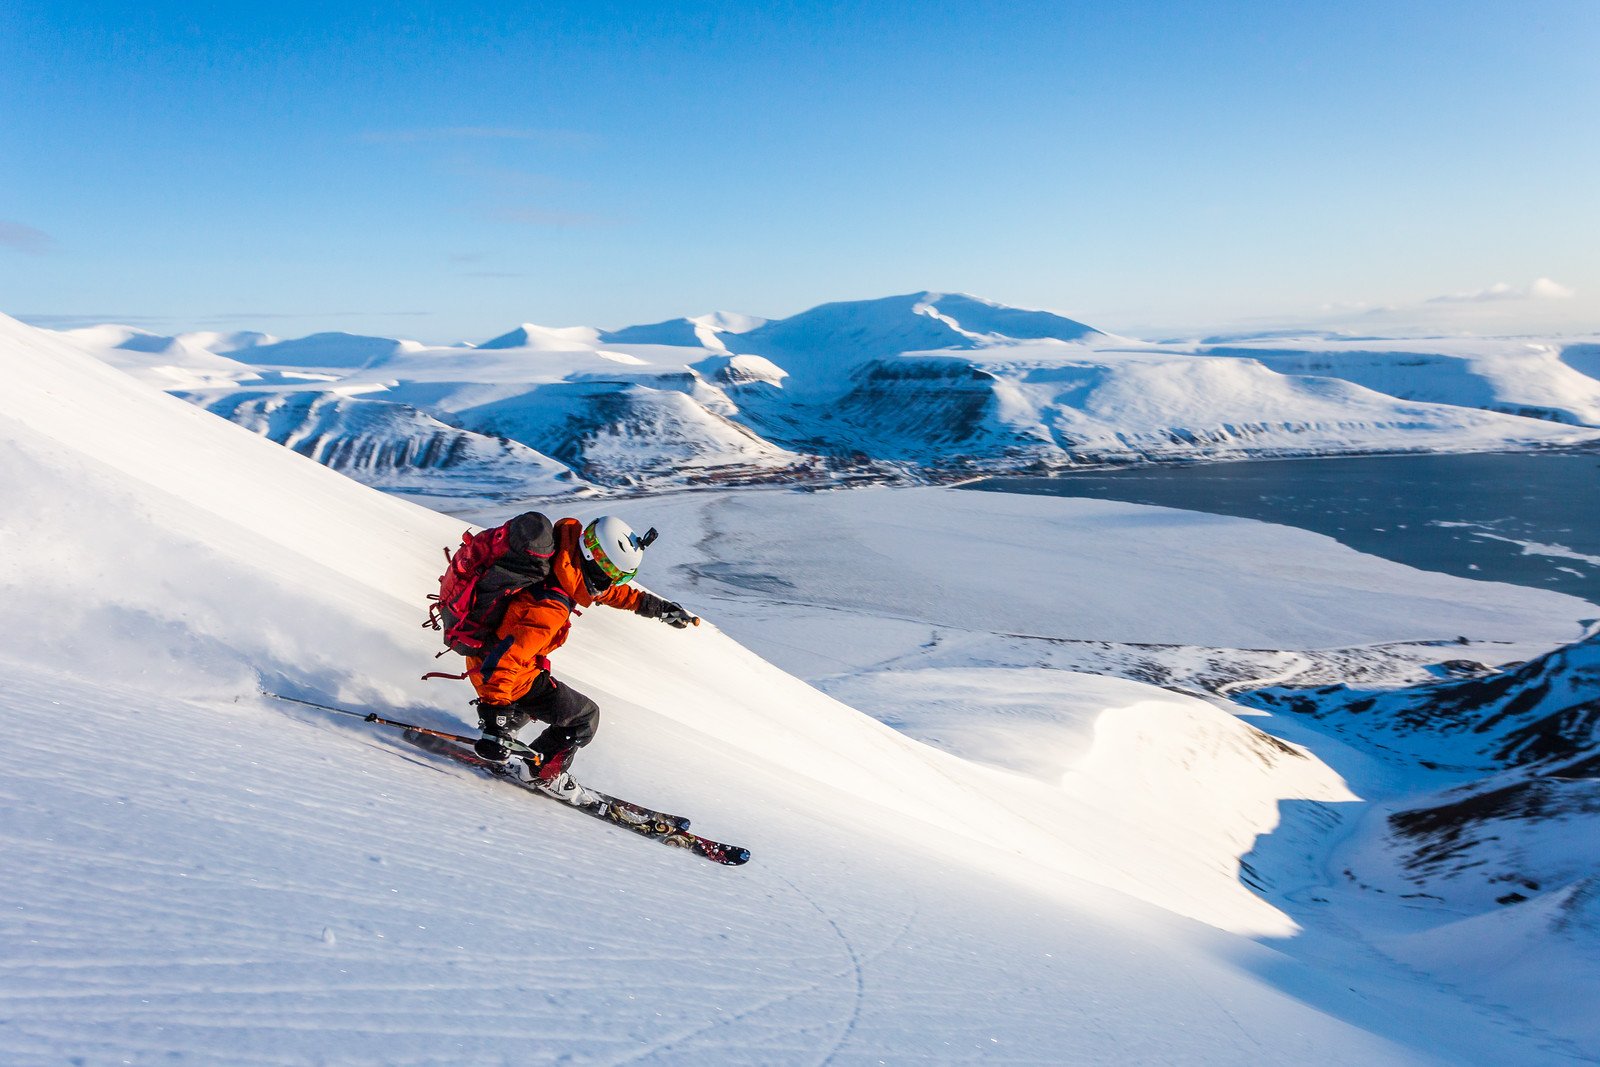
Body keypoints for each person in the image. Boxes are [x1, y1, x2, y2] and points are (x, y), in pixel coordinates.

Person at [467, 514, 697, 799]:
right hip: (501, 672)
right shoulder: (550, 607)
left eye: (621, 577)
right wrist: (494, 720)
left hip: (490, 656)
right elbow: (507, 659)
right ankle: (539, 774)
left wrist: (658, 608)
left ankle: (507, 734)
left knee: (543, 693)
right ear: (596, 563)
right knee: (584, 718)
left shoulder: (563, 562)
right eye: (614, 575)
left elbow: (609, 593)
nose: (612, 583)